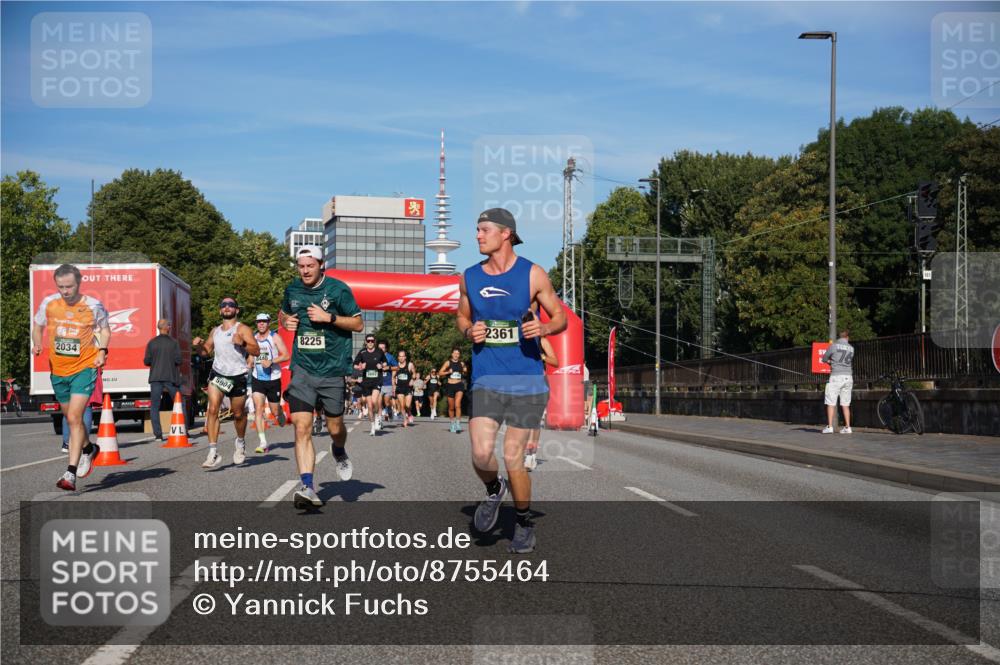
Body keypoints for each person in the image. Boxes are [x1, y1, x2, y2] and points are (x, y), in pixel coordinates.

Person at [456, 208, 567, 553]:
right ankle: (493, 490)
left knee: (513, 456)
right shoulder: (469, 277)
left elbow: (560, 316)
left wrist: (545, 327)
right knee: (480, 453)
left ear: (505, 234)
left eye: (483, 229)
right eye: (476, 229)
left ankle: (522, 523)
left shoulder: (533, 274)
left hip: (527, 380)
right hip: (487, 375)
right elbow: (461, 316)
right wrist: (468, 329)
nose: (477, 235)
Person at [279, 246, 364, 508]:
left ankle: (338, 450)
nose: (304, 271)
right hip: (302, 369)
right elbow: (282, 313)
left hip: (332, 370)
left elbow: (358, 323)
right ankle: (307, 486)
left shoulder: (339, 290)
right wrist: (285, 321)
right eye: (301, 266)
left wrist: (330, 318)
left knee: (335, 428)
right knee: (301, 427)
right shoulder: (292, 289)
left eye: (310, 266)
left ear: (321, 265)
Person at [32, 263, 111, 491]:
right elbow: (37, 326)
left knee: (76, 417)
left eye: (69, 287)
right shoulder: (49, 303)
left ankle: (70, 473)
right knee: (70, 419)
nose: (65, 291)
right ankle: (89, 449)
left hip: (84, 368)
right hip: (58, 371)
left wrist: (101, 351)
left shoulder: (93, 306)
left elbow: (105, 330)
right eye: (61, 287)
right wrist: (37, 343)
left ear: (78, 283)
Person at [193, 298, 259, 468]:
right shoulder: (215, 331)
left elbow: (256, 350)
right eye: (223, 305)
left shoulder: (242, 329)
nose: (227, 307)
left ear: (236, 310)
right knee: (213, 409)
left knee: (238, 414)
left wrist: (242, 343)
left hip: (238, 376)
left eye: (230, 305)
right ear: (220, 311)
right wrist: (198, 346)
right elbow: (206, 352)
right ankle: (213, 452)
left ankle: (240, 443)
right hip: (218, 374)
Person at [248, 313, 290, 454]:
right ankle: (263, 442)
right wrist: (249, 363)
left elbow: (286, 355)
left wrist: (271, 362)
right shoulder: (253, 338)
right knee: (258, 408)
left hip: (273, 379)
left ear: (268, 323)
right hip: (257, 378)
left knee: (274, 411)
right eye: (259, 322)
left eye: (264, 322)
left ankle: (280, 413)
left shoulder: (275, 337)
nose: (261, 324)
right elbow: (251, 355)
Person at [143, 319, 182, 441]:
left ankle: (158, 435)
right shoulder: (174, 343)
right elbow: (179, 360)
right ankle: (183, 431)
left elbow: (146, 361)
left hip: (155, 377)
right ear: (167, 327)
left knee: (155, 406)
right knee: (179, 403)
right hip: (170, 377)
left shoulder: (151, 343)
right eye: (169, 325)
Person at [524, 335, 558, 471]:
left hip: (539, 384)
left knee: (534, 421)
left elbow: (555, 361)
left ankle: (531, 455)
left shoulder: (542, 341)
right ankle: (527, 452)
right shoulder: (518, 341)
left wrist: (542, 356)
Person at [61, 367, 103, 454]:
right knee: (86, 407)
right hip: (86, 370)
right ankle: (83, 444)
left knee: (70, 409)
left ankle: (66, 443)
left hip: (68, 371)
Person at [354, 334, 388, 437]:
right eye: (368, 341)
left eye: (372, 341)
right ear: (365, 342)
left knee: (374, 401)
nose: (370, 343)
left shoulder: (379, 352)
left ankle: (378, 417)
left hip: (377, 380)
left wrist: (381, 366)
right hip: (366, 382)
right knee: (369, 406)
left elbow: (386, 363)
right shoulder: (362, 352)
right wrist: (360, 367)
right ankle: (372, 426)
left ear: (375, 342)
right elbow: (355, 364)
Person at [821, 329, 854, 434]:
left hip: (836, 376)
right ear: (847, 337)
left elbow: (824, 358)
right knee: (845, 404)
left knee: (831, 402)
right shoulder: (852, 348)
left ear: (839, 337)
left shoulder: (834, 346)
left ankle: (830, 427)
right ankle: (848, 427)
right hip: (848, 377)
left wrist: (831, 362)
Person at [438, 348, 467, 433]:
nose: (456, 355)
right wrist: (447, 372)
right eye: (454, 353)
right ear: (452, 354)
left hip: (459, 385)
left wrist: (465, 370)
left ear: (459, 355)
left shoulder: (461, 363)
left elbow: (465, 371)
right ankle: (452, 424)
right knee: (451, 407)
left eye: (458, 353)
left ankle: (458, 424)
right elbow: (439, 373)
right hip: (450, 386)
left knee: (457, 405)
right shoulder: (448, 363)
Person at [378, 339, 398, 423]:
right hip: (377, 382)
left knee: (386, 402)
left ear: (386, 348)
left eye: (383, 348)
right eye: (379, 348)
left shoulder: (390, 357)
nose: (381, 349)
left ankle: (389, 411)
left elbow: (397, 367)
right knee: (378, 402)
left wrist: (388, 367)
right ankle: (379, 421)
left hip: (387, 383)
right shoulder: (375, 356)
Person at [394, 350, 415, 427]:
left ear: (405, 357)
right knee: (402, 406)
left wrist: (412, 380)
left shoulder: (410, 365)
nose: (401, 358)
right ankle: (405, 420)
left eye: (403, 356)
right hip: (399, 388)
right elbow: (393, 377)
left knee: (407, 405)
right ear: (398, 357)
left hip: (408, 388)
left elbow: (414, 374)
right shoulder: (396, 366)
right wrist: (394, 386)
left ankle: (409, 413)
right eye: (400, 356)